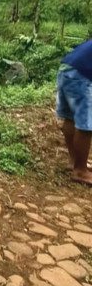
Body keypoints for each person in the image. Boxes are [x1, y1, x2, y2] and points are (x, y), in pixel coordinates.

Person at [56, 38, 92, 185]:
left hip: (66, 69)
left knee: (70, 117)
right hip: (82, 74)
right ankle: (80, 171)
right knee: (86, 123)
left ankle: (74, 161)